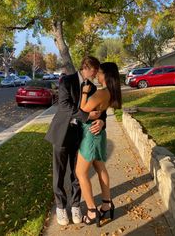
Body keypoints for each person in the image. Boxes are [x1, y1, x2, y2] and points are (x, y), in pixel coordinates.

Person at [45, 56, 107, 226]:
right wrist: (86, 115)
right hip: (62, 133)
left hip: (80, 136)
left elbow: (101, 110)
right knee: (59, 173)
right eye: (95, 71)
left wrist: (102, 121)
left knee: (77, 173)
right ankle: (60, 207)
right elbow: (65, 106)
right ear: (87, 67)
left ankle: (75, 205)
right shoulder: (66, 81)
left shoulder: (93, 88)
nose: (96, 74)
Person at [75, 62, 122, 227]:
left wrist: (84, 93)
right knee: (100, 167)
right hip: (98, 133)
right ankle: (107, 204)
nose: (97, 74)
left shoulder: (102, 93)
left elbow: (83, 109)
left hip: (91, 135)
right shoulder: (110, 92)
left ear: (106, 75)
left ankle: (92, 210)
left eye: (100, 72)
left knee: (80, 173)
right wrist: (101, 122)